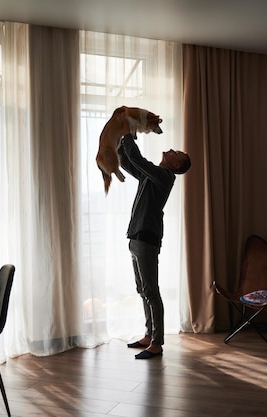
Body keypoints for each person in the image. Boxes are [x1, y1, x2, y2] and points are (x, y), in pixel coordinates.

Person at [117, 114, 191, 360]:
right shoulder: (153, 176)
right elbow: (130, 164)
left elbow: (137, 159)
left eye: (176, 152)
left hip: (146, 238)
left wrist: (128, 134)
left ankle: (157, 343)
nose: (170, 149)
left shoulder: (164, 176)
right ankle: (149, 335)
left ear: (176, 165)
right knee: (142, 289)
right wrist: (121, 143)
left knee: (151, 291)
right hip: (136, 237)